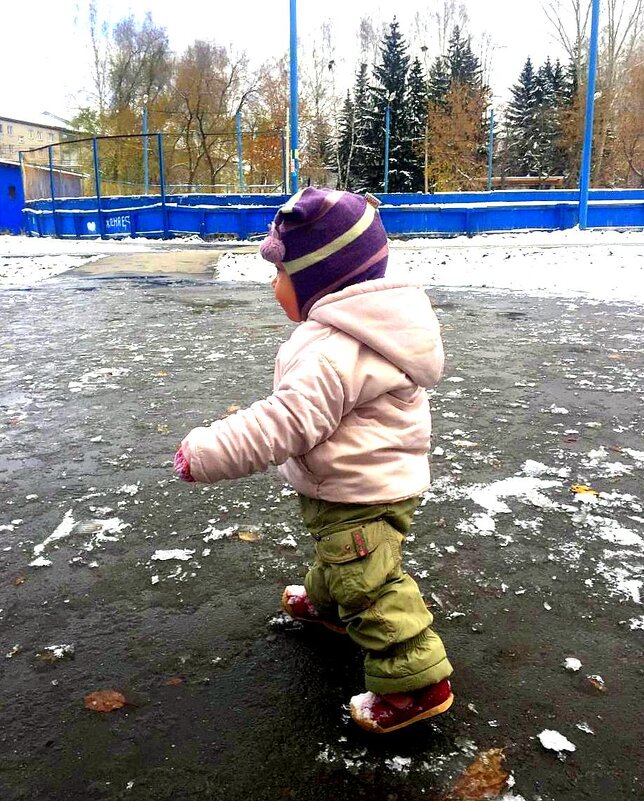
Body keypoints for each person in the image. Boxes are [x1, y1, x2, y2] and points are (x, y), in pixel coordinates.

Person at [174, 187, 453, 734]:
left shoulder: (333, 352)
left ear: (321, 281)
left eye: (281, 275)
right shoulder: (360, 330)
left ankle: (417, 681)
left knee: (369, 583)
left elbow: (285, 423)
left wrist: (207, 452)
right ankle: (329, 610)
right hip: (369, 481)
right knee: (344, 560)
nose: (273, 286)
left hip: (360, 491)